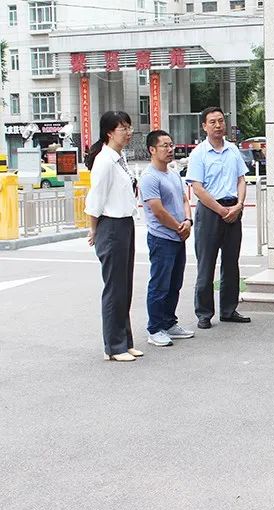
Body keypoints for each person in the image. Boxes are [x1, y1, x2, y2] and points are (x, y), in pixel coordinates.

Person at [186, 107, 250, 329]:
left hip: (234, 209)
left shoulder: (233, 150)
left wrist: (239, 205)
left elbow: (241, 179)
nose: (218, 125)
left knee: (231, 263)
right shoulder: (199, 153)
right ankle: (204, 313)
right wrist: (221, 210)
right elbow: (197, 188)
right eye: (212, 122)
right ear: (204, 126)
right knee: (206, 264)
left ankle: (229, 309)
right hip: (210, 211)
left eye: (221, 121)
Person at [84, 111, 140, 362]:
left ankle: (125, 341)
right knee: (115, 288)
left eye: (129, 127)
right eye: (123, 128)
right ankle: (114, 347)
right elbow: (95, 199)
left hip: (125, 224)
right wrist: (93, 229)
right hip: (112, 226)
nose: (128, 133)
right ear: (109, 133)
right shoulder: (104, 161)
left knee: (124, 286)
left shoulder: (119, 157)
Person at [140, 130, 196, 347]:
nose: (170, 149)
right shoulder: (149, 177)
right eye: (165, 145)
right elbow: (158, 211)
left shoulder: (172, 174)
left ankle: (169, 323)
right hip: (162, 238)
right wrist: (178, 227)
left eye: (171, 145)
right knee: (159, 285)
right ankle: (155, 329)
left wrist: (188, 221)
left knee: (174, 284)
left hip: (178, 236)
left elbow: (184, 199)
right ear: (152, 150)